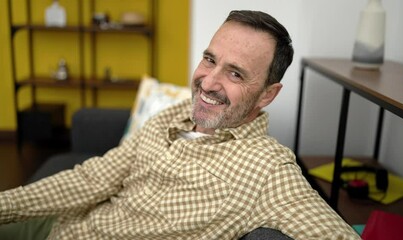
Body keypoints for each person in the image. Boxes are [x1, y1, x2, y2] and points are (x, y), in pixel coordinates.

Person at [0, 10, 360, 239]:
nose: (208, 81)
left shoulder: (267, 169)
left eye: (235, 73)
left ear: (267, 95)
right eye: (209, 59)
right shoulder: (170, 118)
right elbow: (93, 178)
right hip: (64, 223)